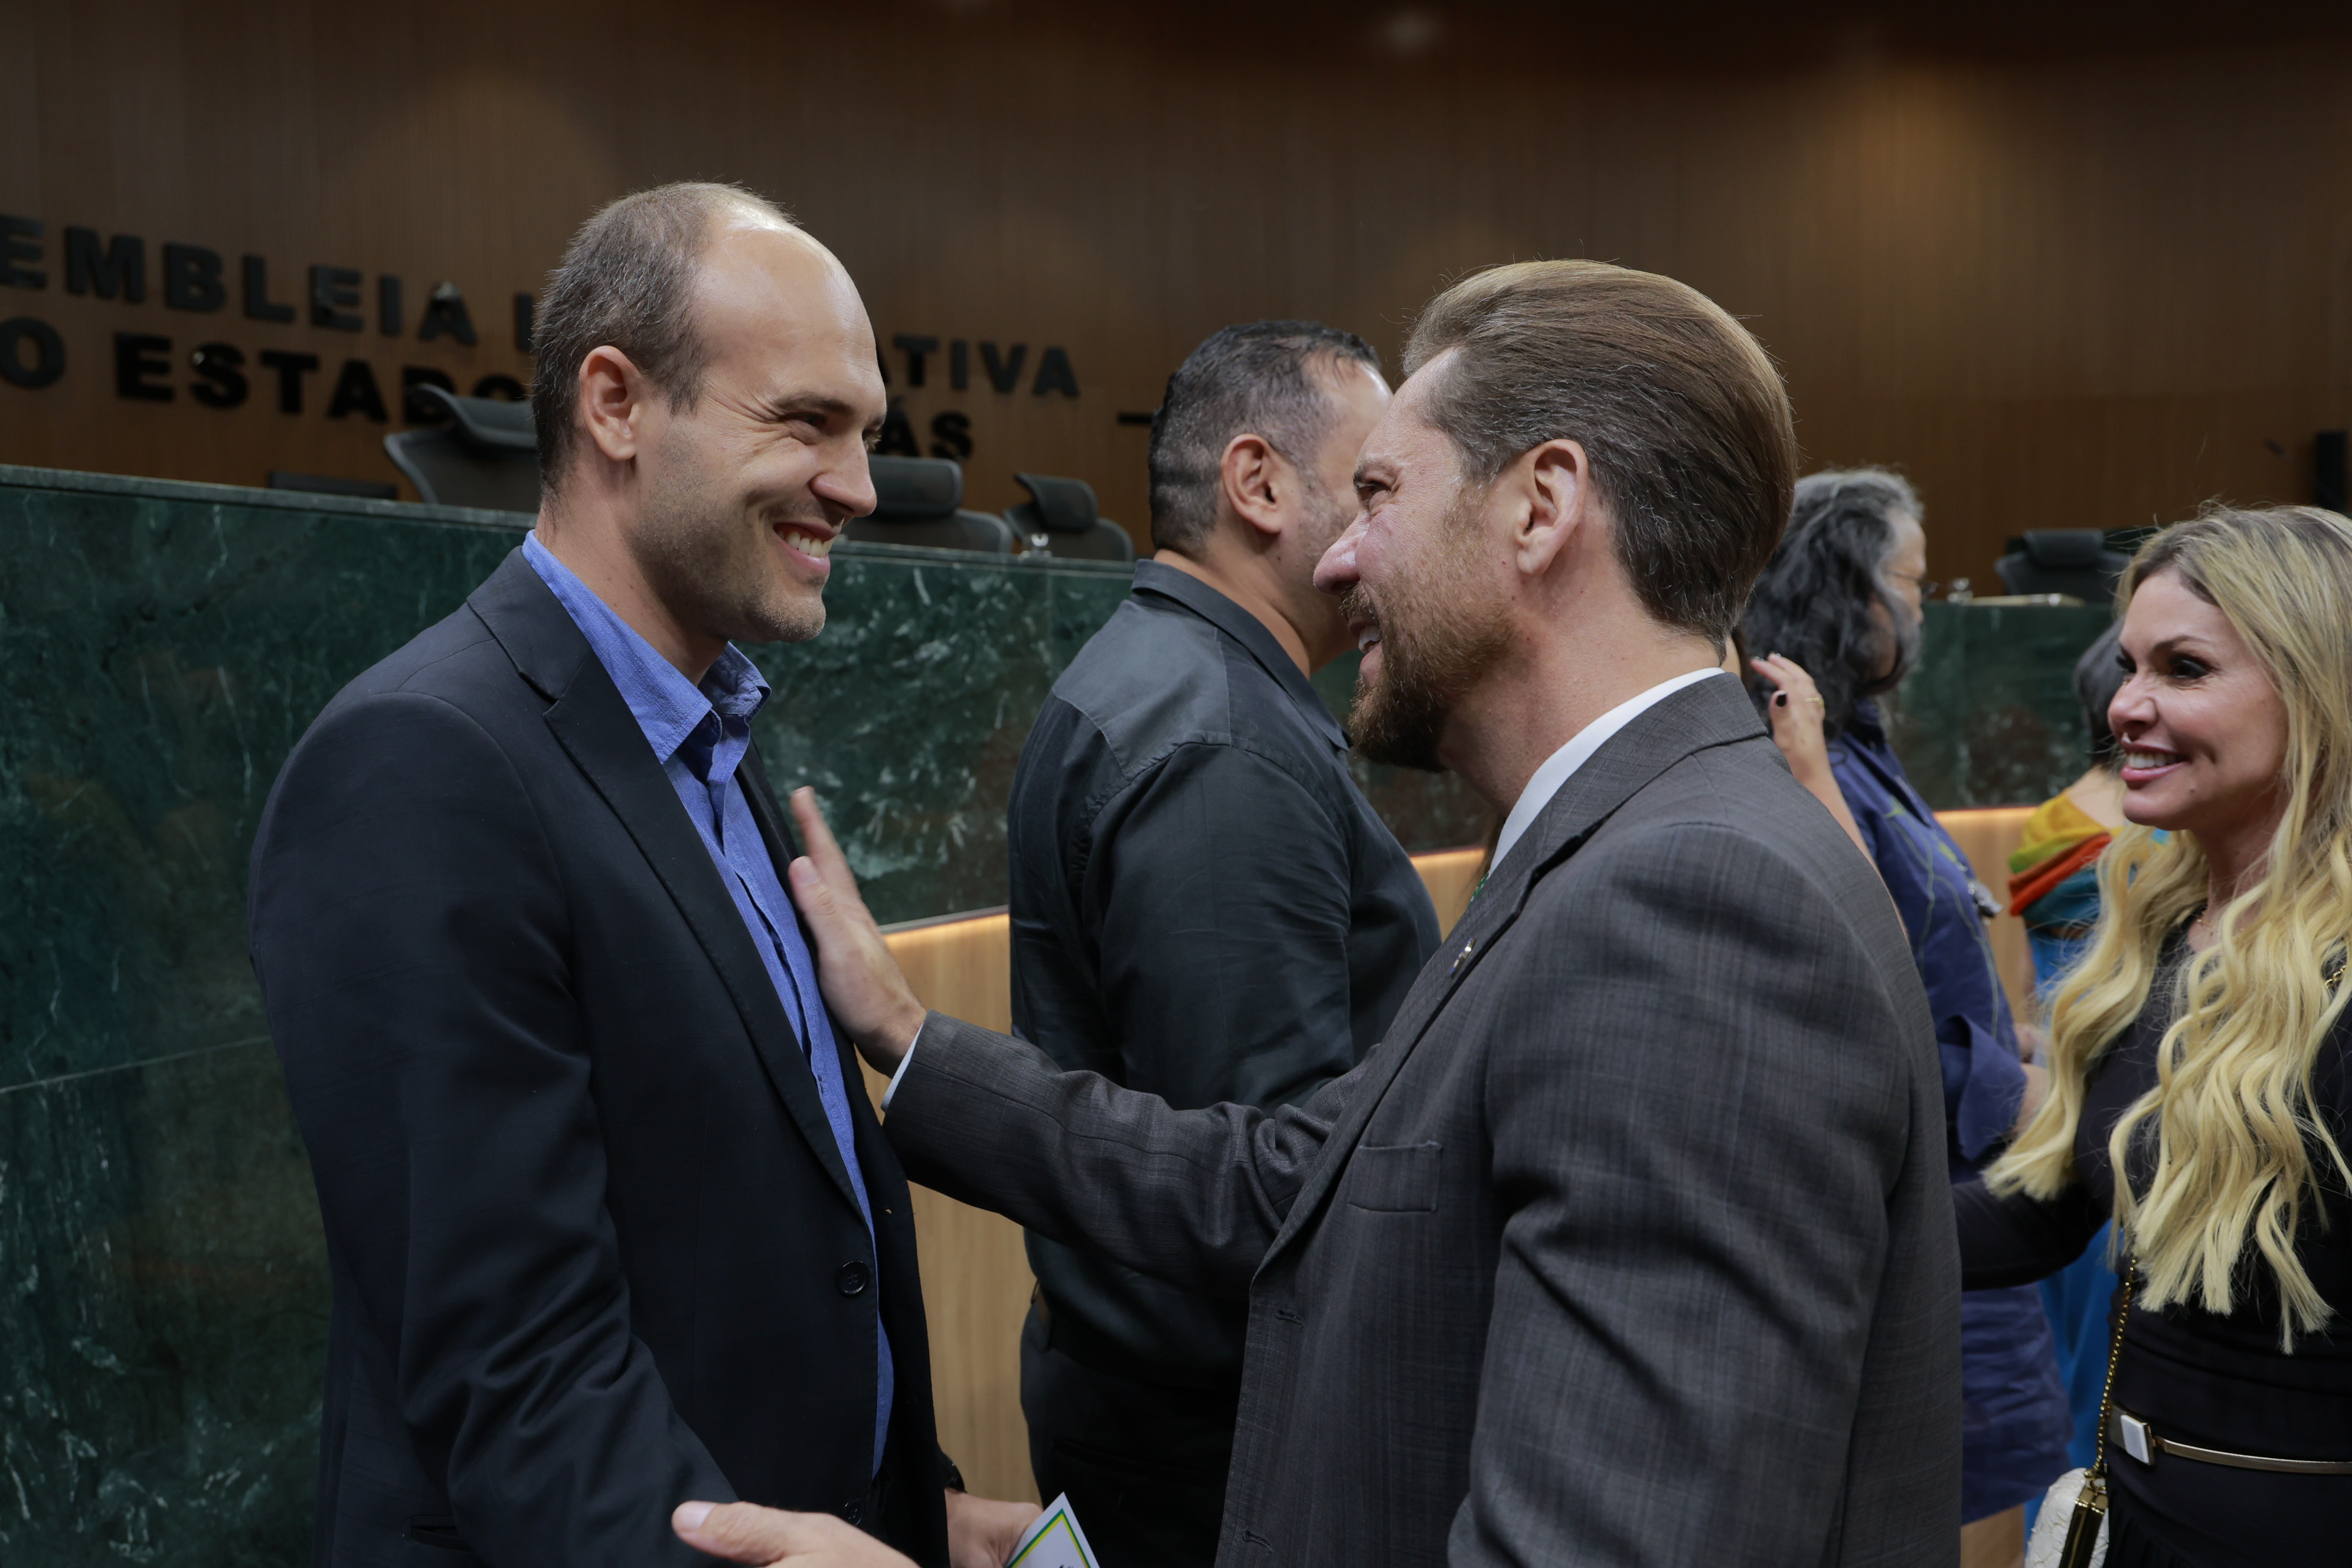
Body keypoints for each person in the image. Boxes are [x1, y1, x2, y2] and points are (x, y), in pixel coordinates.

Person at [681, 259, 1962, 1568]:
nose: (1342, 556)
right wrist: (912, 1040)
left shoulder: (1691, 904)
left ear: (1542, 507)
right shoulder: (1630, 848)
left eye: (1381, 494)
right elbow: (1296, 1175)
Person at [247, 183, 1034, 1568]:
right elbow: (522, 1369)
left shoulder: (712, 730)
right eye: (806, 422)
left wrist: (914, 1500)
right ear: (615, 403)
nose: (858, 486)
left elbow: (760, 1237)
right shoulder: (422, 761)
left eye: (865, 433)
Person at [1006, 322, 1438, 1566]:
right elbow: (1255, 1187)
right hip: (1216, 1450)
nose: (1389, 534)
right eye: (1371, 487)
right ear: (1258, 484)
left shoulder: (1186, 679)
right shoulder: (1221, 739)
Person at [1962, 506, 2352, 1568]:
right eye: (2130, 666)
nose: (2126, 705)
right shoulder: (2162, 925)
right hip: (2134, 1517)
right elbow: (2047, 1210)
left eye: (2184, 669)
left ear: (2316, 689)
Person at [1741, 470, 2073, 1560]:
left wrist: (2026, 1044)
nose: (1923, 609)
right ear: (1849, 587)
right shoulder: (1800, 760)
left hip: (1967, 1180)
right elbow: (1853, 1007)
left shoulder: (1852, 744)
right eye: (1914, 583)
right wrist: (2010, 1084)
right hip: (1919, 1187)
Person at [2007, 622, 2131, 1477]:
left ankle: (2050, 1529)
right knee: (2106, 1371)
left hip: (2043, 1098)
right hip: (2119, 1099)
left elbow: (2026, 982)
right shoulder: (2158, 837)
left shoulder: (2048, 822)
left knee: (2054, 1357)